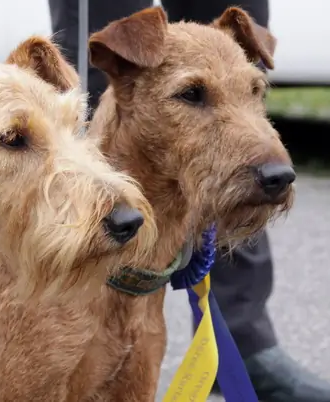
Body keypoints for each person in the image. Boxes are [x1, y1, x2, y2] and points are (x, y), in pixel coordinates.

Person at [48, 1, 330, 401]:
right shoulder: (130, 61)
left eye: (255, 90)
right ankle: (73, 301)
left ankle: (239, 343)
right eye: (194, 95)